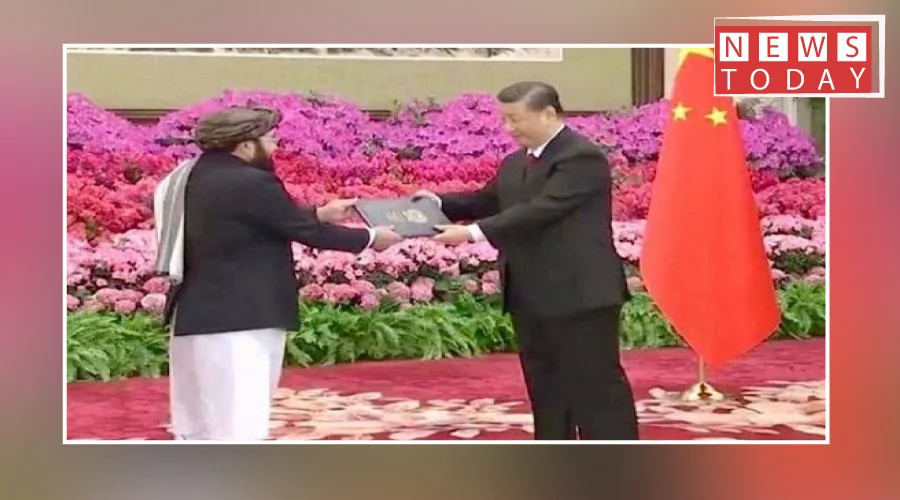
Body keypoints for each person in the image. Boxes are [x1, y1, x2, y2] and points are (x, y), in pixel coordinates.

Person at [152, 106, 403, 441]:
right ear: (245, 144)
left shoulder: (185, 176)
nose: (275, 146)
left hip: (194, 315)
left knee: (199, 424)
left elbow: (248, 218)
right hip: (243, 318)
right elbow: (304, 232)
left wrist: (318, 213)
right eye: (270, 138)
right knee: (240, 423)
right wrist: (370, 237)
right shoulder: (252, 182)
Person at [416, 81, 639, 440]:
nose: (509, 128)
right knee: (546, 386)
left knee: (594, 385)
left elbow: (543, 209)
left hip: (579, 294)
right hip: (530, 292)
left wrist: (473, 233)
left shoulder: (580, 157)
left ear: (548, 113)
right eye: (504, 119)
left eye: (516, 119)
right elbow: (487, 200)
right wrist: (436, 203)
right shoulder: (516, 162)